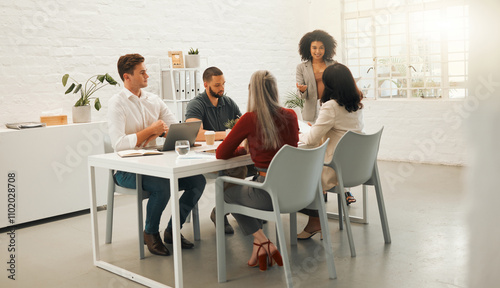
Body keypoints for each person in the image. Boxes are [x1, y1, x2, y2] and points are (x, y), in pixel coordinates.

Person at [108, 53, 206, 256]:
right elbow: (118, 145)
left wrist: (159, 131)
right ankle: (150, 232)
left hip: (156, 163)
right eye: (142, 72)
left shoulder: (153, 100)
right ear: (127, 77)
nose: (147, 75)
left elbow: (174, 127)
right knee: (162, 186)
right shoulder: (117, 103)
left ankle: (172, 230)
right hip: (126, 170)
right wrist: (150, 131)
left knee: (197, 181)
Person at [216, 70, 299, 271]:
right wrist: (251, 147)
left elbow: (221, 153)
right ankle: (259, 246)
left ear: (252, 92)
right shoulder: (291, 115)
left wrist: (243, 149)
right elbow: (287, 148)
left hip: (267, 194)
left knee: (226, 194)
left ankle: (263, 241)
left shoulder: (250, 119)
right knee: (246, 186)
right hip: (294, 191)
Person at [297, 63, 364, 240]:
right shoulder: (356, 105)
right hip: (356, 167)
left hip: (333, 169)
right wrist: (317, 128)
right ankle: (314, 220)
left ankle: (314, 221)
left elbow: (311, 140)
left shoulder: (331, 106)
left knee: (297, 175)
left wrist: (301, 133)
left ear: (329, 85)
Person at [185, 66, 243, 235]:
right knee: (238, 169)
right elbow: (195, 133)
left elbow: (241, 125)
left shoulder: (229, 102)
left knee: (259, 166)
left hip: (226, 154)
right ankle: (223, 212)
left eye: (223, 84)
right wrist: (226, 134)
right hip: (206, 158)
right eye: (217, 85)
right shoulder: (196, 104)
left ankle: (237, 209)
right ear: (206, 84)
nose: (222, 88)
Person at [296, 29, 337, 122]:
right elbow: (301, 96)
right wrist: (302, 91)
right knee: (312, 135)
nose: (318, 51)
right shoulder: (301, 68)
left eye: (321, 48)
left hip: (331, 108)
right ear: (308, 49)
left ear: (326, 48)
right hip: (310, 113)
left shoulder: (333, 64)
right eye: (314, 48)